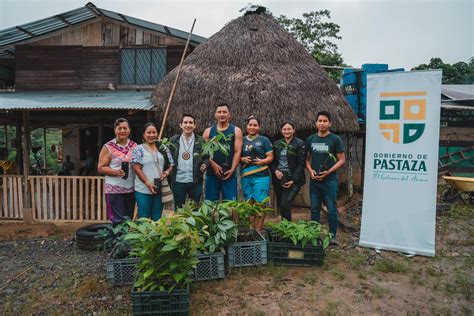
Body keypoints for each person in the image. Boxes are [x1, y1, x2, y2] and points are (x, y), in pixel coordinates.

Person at [305, 111, 345, 245]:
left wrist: (328, 172)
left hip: (330, 181)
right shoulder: (311, 139)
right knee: (314, 208)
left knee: (332, 208)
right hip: (315, 181)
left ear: (330, 123)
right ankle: (314, 235)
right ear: (316, 123)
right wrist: (310, 170)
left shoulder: (335, 139)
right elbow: (307, 159)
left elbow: (341, 160)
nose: (322, 123)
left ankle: (332, 236)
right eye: (320, 121)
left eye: (325, 121)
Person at [97, 118, 137, 226]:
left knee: (128, 220)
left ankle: (125, 243)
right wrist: (115, 172)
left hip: (130, 189)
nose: (122, 131)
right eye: (120, 128)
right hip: (114, 190)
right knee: (117, 221)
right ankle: (116, 242)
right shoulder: (108, 147)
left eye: (125, 128)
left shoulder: (134, 146)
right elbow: (100, 167)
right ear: (115, 130)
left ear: (129, 130)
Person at [131, 123, 174, 221]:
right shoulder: (139, 149)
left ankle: (154, 236)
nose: (151, 135)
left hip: (158, 188)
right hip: (143, 189)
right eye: (148, 132)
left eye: (154, 132)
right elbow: (136, 168)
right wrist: (147, 183)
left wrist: (166, 172)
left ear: (157, 134)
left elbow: (171, 163)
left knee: (157, 218)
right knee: (143, 218)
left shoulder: (162, 147)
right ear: (143, 135)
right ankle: (143, 236)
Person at [203, 103, 243, 201]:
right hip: (211, 174)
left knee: (230, 205)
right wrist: (213, 164)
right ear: (215, 114)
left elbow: (237, 152)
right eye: (219, 112)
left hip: (229, 173)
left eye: (224, 112)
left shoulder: (236, 130)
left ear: (229, 114)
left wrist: (233, 169)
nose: (222, 114)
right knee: (210, 204)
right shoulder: (208, 132)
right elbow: (205, 153)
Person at [170, 114, 207, 209]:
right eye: (185, 122)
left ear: (194, 125)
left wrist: (205, 164)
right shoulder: (174, 140)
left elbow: (207, 157)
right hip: (178, 180)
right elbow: (168, 158)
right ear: (181, 125)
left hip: (195, 180)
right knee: (179, 209)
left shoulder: (201, 141)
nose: (188, 125)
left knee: (195, 209)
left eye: (191, 123)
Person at [270, 121, 306, 221]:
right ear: (281, 131)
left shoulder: (300, 143)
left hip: (293, 178)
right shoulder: (276, 144)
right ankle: (284, 227)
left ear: (293, 130)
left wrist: (293, 180)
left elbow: (301, 164)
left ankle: (287, 228)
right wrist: (275, 171)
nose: (287, 131)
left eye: (289, 129)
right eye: (284, 129)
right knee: (282, 205)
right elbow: (271, 161)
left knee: (285, 203)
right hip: (279, 178)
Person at [240, 116, 273, 202]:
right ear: (246, 126)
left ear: (259, 127)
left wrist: (262, 161)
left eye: (255, 125)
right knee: (248, 202)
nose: (252, 127)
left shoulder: (264, 140)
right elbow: (236, 156)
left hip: (261, 175)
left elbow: (270, 157)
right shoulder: (241, 140)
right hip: (245, 175)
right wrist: (242, 159)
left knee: (260, 202)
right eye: (250, 125)